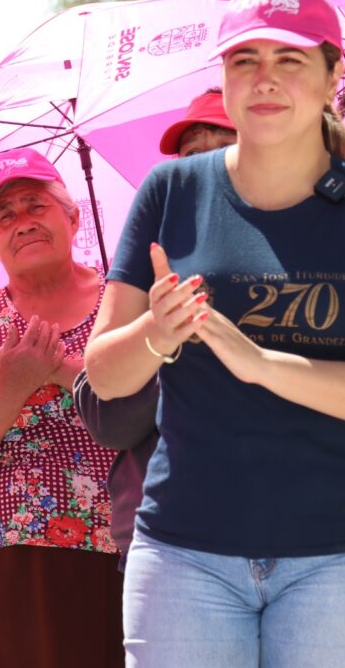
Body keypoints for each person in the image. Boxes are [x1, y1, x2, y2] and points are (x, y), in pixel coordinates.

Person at [85, 0, 345, 667]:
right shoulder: (170, 190)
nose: (265, 79)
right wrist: (157, 331)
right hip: (185, 551)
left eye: (290, 60)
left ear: (332, 75)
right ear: (225, 78)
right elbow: (102, 369)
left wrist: (262, 364)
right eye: (245, 60)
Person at [0, 148, 123, 668]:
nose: (23, 224)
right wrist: (10, 390)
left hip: (130, 542)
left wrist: (58, 369)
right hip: (13, 559)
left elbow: (157, 410)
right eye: (4, 216)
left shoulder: (124, 305)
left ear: (73, 216)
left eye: (36, 206)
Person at [75, 89, 237, 567]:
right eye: (190, 155)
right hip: (169, 536)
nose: (203, 167)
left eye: (224, 146)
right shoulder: (153, 253)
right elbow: (103, 412)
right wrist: (162, 333)